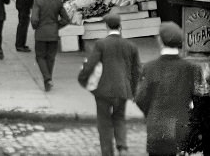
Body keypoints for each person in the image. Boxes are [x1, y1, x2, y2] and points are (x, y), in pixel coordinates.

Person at [77, 12, 141, 156]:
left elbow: (91, 64)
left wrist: (82, 79)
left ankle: (107, 152)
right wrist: (133, 91)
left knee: (104, 122)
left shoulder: (101, 44)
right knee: (119, 118)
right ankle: (122, 147)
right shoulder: (131, 46)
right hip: (122, 90)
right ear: (120, 26)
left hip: (103, 90)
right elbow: (137, 70)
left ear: (106, 26)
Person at [134, 21, 202, 156]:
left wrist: (152, 113)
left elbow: (141, 98)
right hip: (182, 129)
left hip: (157, 128)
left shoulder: (150, 67)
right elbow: (199, 101)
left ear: (160, 41)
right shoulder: (193, 69)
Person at [30, 0, 70, 91]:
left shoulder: (38, 1)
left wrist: (36, 27)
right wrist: (57, 26)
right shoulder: (57, 1)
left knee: (40, 57)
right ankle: (49, 79)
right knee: (50, 57)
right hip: (53, 33)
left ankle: (47, 78)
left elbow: (34, 19)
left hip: (41, 34)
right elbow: (66, 19)